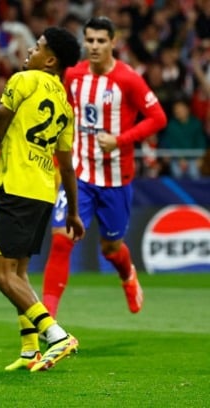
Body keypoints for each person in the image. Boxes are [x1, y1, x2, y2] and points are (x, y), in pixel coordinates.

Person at [0, 26, 84, 372]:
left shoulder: (24, 81)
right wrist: (72, 211)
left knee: (0, 275)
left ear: (50, 59)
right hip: (44, 190)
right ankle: (30, 350)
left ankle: (56, 335)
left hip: (17, 186)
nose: (29, 50)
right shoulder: (65, 105)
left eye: (37, 46)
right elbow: (67, 167)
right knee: (19, 274)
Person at [41, 16, 168, 318]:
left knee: (111, 248)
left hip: (115, 179)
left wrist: (121, 139)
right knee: (61, 238)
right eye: (90, 40)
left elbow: (158, 118)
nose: (95, 46)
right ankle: (47, 322)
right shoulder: (73, 75)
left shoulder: (128, 79)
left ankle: (127, 276)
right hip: (80, 176)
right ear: (84, 42)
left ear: (113, 42)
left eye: (101, 41)